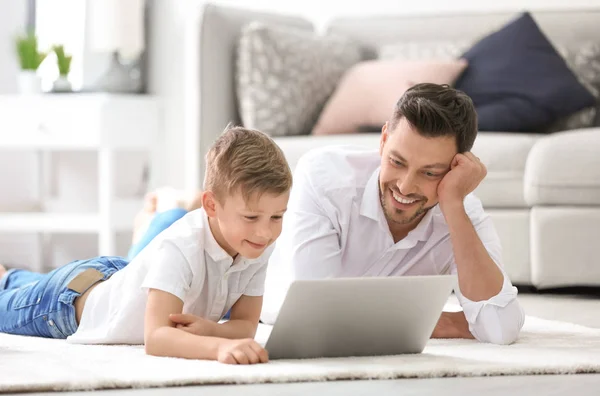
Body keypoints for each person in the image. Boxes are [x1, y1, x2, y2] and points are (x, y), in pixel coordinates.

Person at [0, 126, 292, 365]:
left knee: (17, 283)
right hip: (66, 304)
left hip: (116, 276)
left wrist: (211, 329)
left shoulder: (256, 243)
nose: (266, 232)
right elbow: (156, 338)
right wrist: (216, 346)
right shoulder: (182, 246)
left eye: (277, 216)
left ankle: (8, 276)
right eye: (251, 217)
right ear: (211, 205)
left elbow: (246, 325)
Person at [261, 83, 525, 345]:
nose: (405, 186)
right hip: (240, 305)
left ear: (456, 169)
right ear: (384, 139)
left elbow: (501, 328)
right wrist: (448, 322)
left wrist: (454, 206)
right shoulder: (324, 179)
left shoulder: (462, 212)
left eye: (430, 173)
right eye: (396, 162)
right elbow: (319, 313)